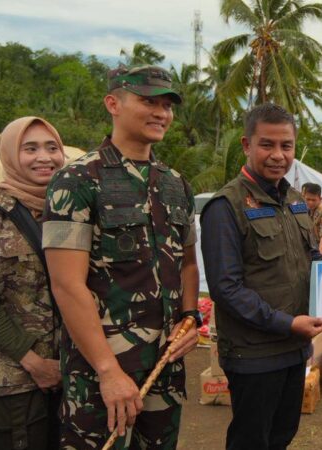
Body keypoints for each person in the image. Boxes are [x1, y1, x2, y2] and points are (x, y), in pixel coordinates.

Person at [42, 65, 200, 449]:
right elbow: (66, 284)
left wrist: (190, 316)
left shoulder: (175, 184)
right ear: (113, 103)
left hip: (164, 369)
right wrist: (108, 370)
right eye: (149, 101)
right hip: (101, 375)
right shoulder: (76, 180)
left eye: (167, 105)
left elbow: (188, 261)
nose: (162, 113)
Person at [200, 103, 322, 450]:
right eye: (267, 144)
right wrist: (286, 323)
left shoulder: (293, 199)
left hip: (293, 348)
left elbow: (304, 259)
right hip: (254, 353)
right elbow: (225, 288)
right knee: (251, 440)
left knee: (282, 435)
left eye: (286, 146)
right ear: (247, 145)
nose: (278, 155)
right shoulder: (226, 206)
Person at [0, 117, 65, 450]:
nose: (44, 157)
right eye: (30, 149)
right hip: (12, 381)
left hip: (67, 375)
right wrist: (33, 362)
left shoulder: (70, 213)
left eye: (52, 147)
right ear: (11, 156)